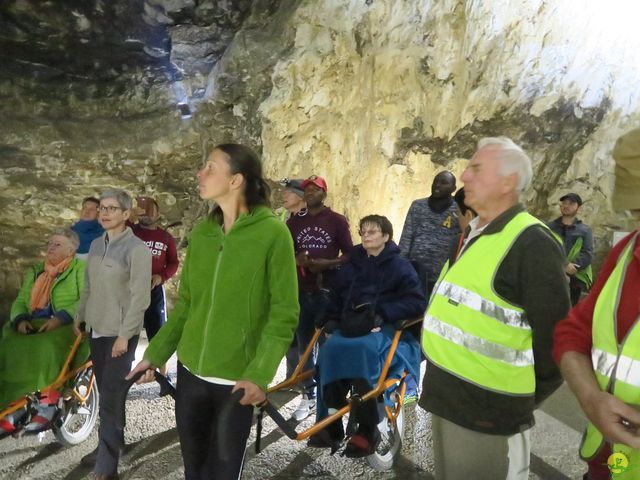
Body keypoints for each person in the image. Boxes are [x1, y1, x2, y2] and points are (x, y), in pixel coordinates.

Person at [127, 144, 299, 480]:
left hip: (235, 382)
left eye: (210, 167)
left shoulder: (272, 233)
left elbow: (284, 312)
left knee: (221, 473)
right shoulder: (203, 232)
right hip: (191, 376)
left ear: (236, 180)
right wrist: (157, 354)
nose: (199, 173)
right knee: (194, 471)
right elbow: (187, 303)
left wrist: (260, 374)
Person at [420, 137, 571, 479]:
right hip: (448, 400)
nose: (463, 176)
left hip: (487, 414)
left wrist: (512, 404)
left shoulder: (532, 242)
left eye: (475, 168)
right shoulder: (476, 234)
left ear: (508, 181)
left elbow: (557, 342)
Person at [553, 128, 640, 480]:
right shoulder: (625, 254)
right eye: (637, 211)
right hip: (605, 462)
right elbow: (572, 333)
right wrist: (592, 399)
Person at [308, 214, 427, 456]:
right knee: (330, 350)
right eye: (363, 231)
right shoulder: (352, 266)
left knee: (362, 351)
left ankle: (367, 428)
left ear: (386, 236)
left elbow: (416, 302)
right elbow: (336, 296)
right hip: (352, 324)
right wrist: (330, 318)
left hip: (385, 327)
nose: (365, 235)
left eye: (372, 231)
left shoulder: (400, 267)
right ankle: (331, 422)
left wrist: (384, 312)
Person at [74, 190, 151, 480]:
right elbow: (89, 287)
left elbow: (139, 299)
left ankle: (107, 467)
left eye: (112, 208)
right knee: (109, 393)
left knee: (110, 396)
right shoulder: (95, 244)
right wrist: (82, 316)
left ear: (126, 215)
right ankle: (111, 444)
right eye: (102, 208)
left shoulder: (137, 250)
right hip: (96, 329)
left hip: (120, 334)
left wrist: (125, 335)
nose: (104, 213)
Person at [0, 228, 86, 431]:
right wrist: (20, 319)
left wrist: (61, 317)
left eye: (58, 244)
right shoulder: (37, 270)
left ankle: (49, 400)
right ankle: (12, 403)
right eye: (50, 243)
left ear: (71, 251)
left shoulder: (80, 269)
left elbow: (86, 298)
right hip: (34, 321)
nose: (51, 247)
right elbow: (21, 300)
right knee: (9, 344)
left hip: (67, 323)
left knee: (45, 347)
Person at [286, 175, 353, 421]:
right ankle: (308, 397)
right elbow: (285, 253)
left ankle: (328, 399)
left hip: (327, 292)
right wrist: (297, 260)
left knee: (328, 348)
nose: (311, 193)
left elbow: (350, 254)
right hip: (302, 292)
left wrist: (329, 263)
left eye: (316, 189)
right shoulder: (293, 223)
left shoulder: (336, 221)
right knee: (305, 348)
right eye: (307, 190)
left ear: (324, 193)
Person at [130, 196, 179, 377]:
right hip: (130, 290)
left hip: (154, 290)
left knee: (158, 332)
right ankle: (126, 372)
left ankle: (163, 375)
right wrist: (131, 216)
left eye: (150, 211)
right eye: (142, 211)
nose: (146, 215)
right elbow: (115, 233)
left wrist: (162, 276)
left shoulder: (165, 238)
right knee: (128, 331)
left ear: (158, 214)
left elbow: (173, 263)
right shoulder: (130, 232)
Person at [398, 171, 460, 297]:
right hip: (414, 271)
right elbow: (406, 236)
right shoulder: (418, 206)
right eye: (435, 181)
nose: (437, 185)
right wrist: (401, 265)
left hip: (441, 275)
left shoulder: (458, 210)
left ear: (453, 188)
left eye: (443, 183)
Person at [547, 193, 594, 306]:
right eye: (564, 203)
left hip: (573, 277)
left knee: (569, 310)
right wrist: (564, 265)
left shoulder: (585, 230)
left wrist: (571, 267)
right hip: (551, 273)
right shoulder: (549, 227)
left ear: (579, 208)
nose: (566, 206)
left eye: (571, 203)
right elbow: (545, 249)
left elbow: (587, 254)